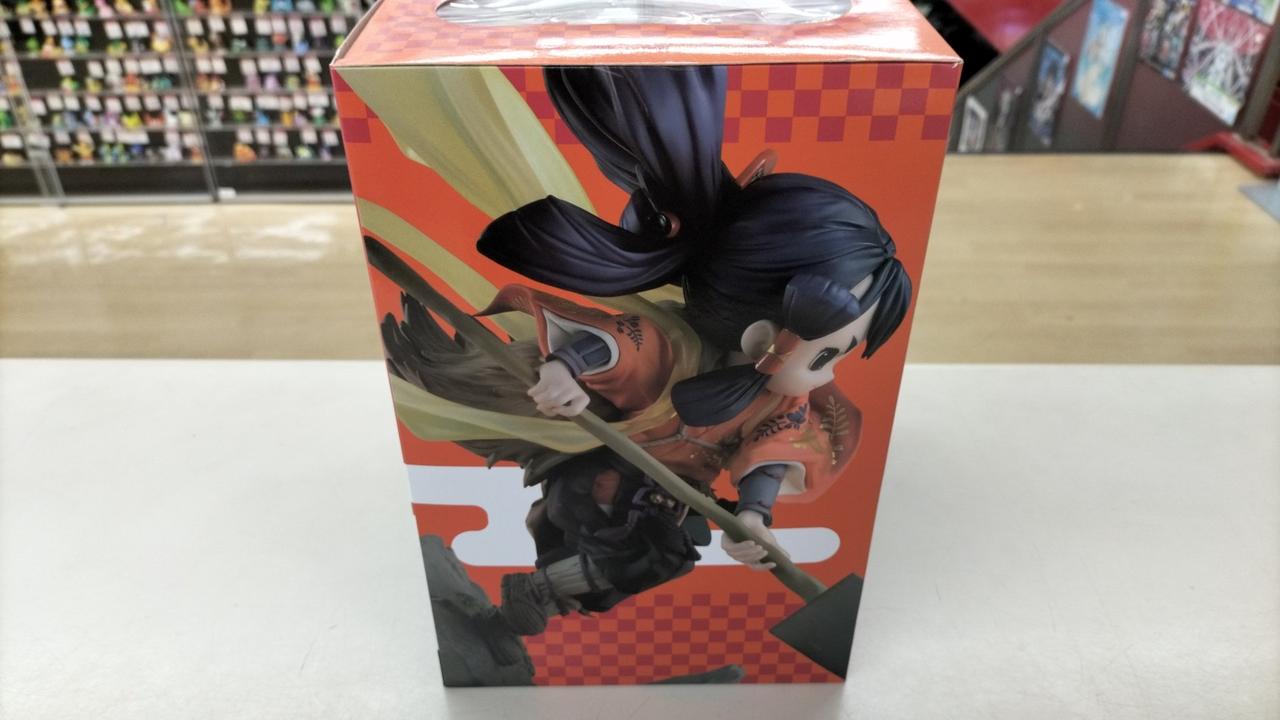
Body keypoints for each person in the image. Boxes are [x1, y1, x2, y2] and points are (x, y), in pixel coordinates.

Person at [379, 66, 912, 636]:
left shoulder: (781, 402)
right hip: (604, 465)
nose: (825, 377)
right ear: (763, 338)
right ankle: (531, 595)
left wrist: (755, 517)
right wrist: (565, 367)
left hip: (666, 491)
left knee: (664, 557)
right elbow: (617, 345)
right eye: (826, 357)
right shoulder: (676, 348)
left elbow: (770, 454)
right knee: (630, 545)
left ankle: (537, 597)